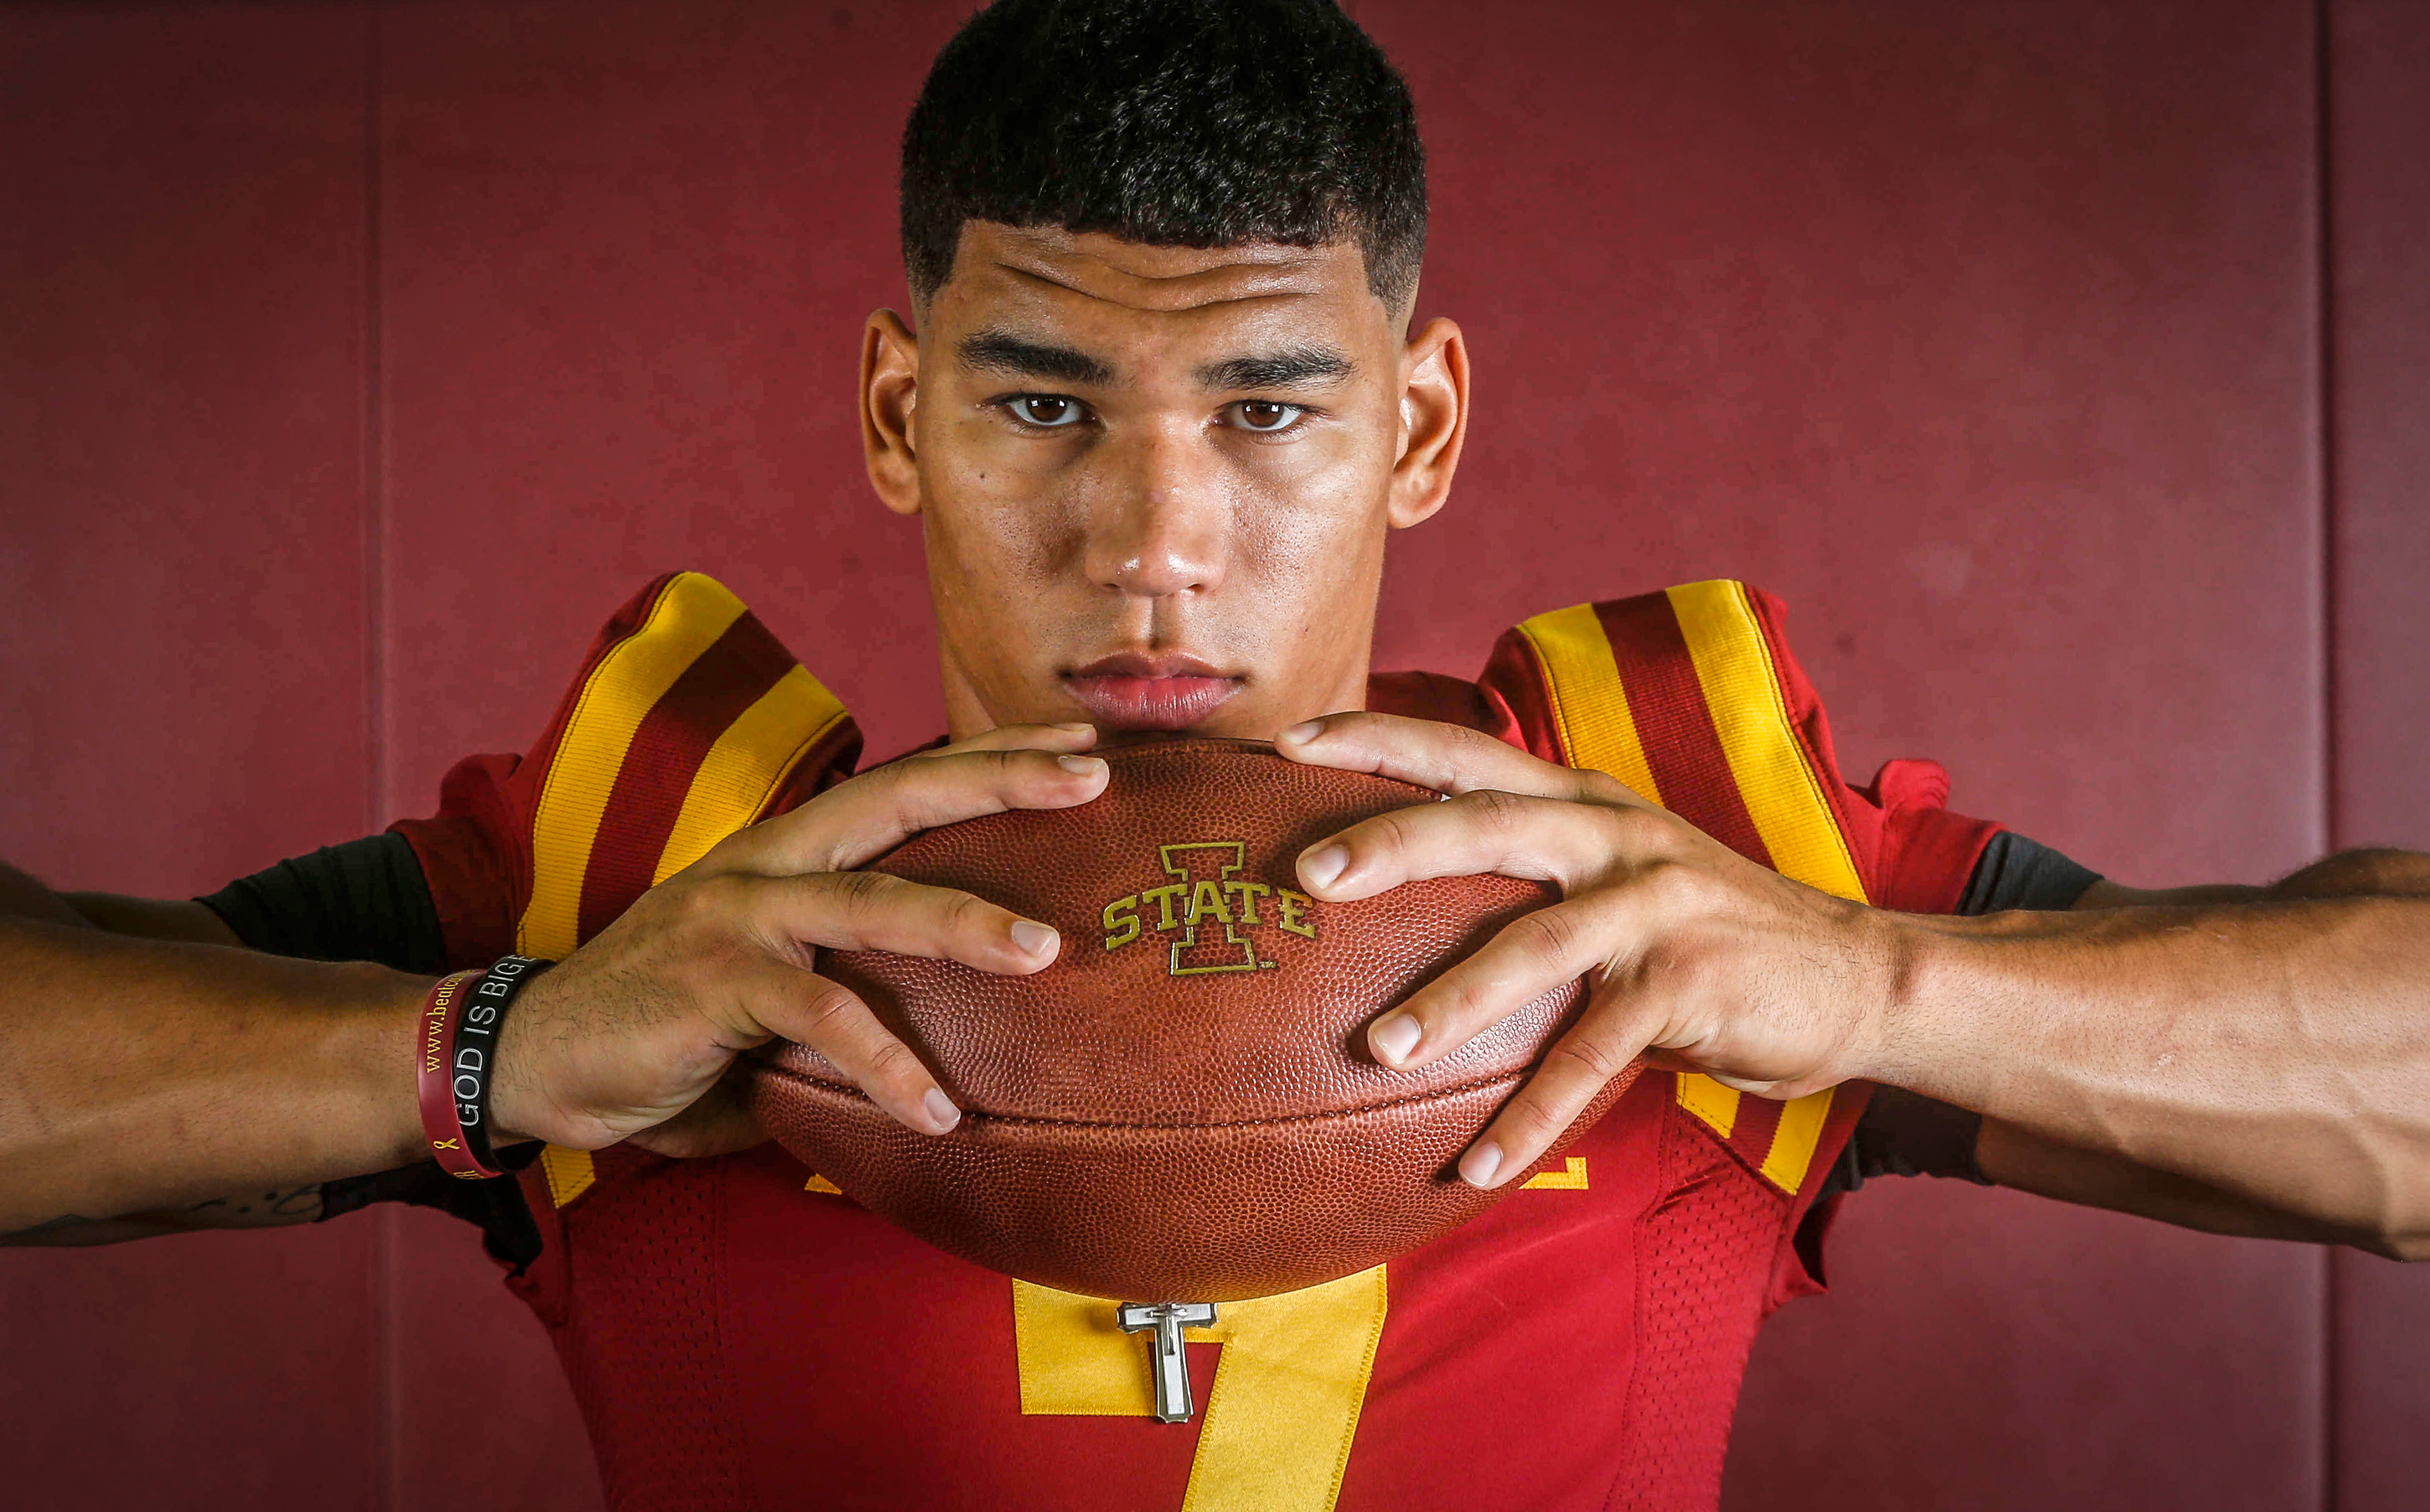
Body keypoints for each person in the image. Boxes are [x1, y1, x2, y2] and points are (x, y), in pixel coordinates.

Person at [3, 0, 2426, 1506]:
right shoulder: (667, 885)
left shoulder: (1676, 866)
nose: (1153, 541)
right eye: (1040, 403)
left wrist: (1882, 989)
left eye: (1269, 407)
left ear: (1421, 423)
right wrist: (489, 1047)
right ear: (896, 413)